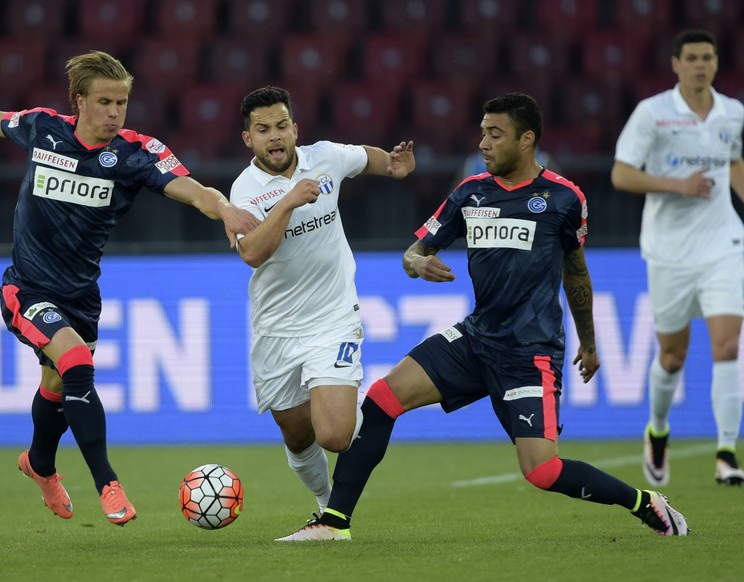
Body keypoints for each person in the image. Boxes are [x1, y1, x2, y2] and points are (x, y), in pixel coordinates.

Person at [277, 92, 689, 542]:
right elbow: (415, 251)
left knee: (543, 470)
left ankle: (643, 502)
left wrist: (588, 343)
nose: (484, 144)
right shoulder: (470, 191)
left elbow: (576, 274)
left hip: (528, 353)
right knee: (381, 399)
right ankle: (334, 523)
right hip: (476, 338)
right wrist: (416, 263)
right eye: (482, 133)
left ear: (526, 139)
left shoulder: (564, 198)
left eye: (495, 134)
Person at [0, 50, 258, 526]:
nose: (114, 112)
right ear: (78, 101)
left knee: (57, 385)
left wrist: (223, 209)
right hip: (27, 288)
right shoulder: (44, 128)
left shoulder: (134, 153)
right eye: (104, 101)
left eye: (121, 102)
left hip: (81, 296)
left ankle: (39, 464)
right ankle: (108, 483)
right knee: (77, 364)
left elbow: (194, 190)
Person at [229, 86, 415, 515]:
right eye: (262, 130)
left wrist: (390, 164)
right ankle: (326, 504)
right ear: (248, 139)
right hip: (275, 329)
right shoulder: (245, 190)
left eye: (280, 126)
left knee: (334, 435)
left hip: (333, 319)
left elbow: (362, 157)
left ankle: (369, 421)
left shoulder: (325, 156)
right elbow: (253, 253)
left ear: (295, 129)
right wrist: (288, 203)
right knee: (297, 435)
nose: (274, 137)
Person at [611, 29, 744, 487]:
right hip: (668, 251)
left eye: (708, 57)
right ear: (676, 64)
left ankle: (727, 451)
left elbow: (736, 162)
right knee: (672, 355)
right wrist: (677, 185)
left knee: (728, 345)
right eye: (692, 58)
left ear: (715, 62)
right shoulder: (653, 114)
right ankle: (658, 429)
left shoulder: (733, 113)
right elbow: (621, 174)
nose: (701, 65)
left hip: (724, 244)